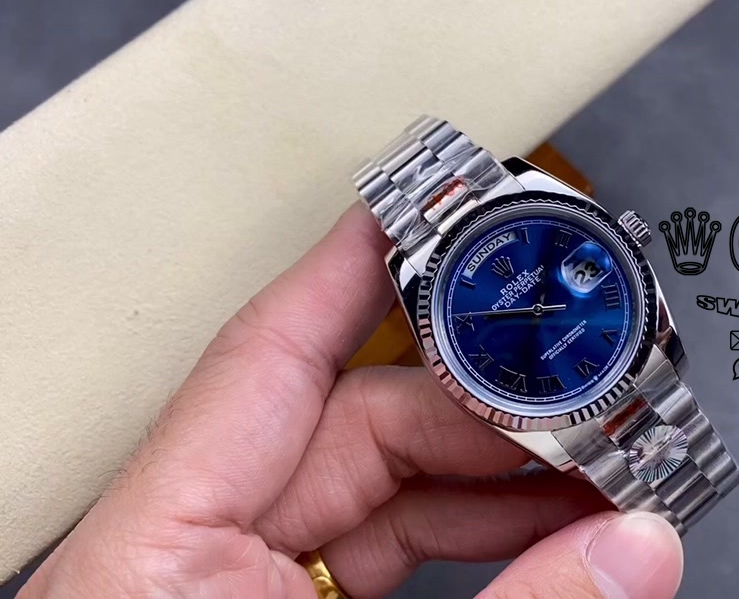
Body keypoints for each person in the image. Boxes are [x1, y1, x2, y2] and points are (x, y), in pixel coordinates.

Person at [17, 203, 684, 599]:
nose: (540, 307)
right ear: (453, 372)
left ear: (619, 234)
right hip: (564, 385)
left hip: (609, 354)